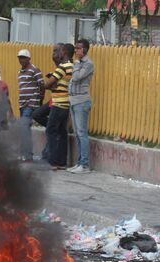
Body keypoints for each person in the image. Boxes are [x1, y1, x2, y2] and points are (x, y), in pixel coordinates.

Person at [67, 39, 95, 174]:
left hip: (82, 101)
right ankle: (79, 162)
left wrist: (77, 64)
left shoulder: (88, 64)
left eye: (78, 48)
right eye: (75, 48)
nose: (76, 51)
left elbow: (77, 77)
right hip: (74, 100)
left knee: (82, 133)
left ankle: (84, 165)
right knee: (77, 133)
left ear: (85, 49)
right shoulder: (77, 63)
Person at [44, 43, 73, 170]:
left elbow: (48, 84)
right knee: (62, 132)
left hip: (58, 103)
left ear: (65, 52)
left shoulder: (62, 67)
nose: (58, 53)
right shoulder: (72, 66)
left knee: (51, 131)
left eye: (60, 51)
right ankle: (62, 162)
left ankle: (52, 162)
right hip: (67, 103)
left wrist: (47, 83)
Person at [16, 49, 44, 162]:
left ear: (28, 59)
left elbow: (41, 85)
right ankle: (24, 153)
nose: (21, 60)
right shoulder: (20, 72)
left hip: (31, 103)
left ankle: (27, 154)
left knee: (24, 127)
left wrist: (39, 99)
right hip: (22, 103)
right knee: (24, 128)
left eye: (23, 57)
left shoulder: (34, 70)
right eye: (19, 57)